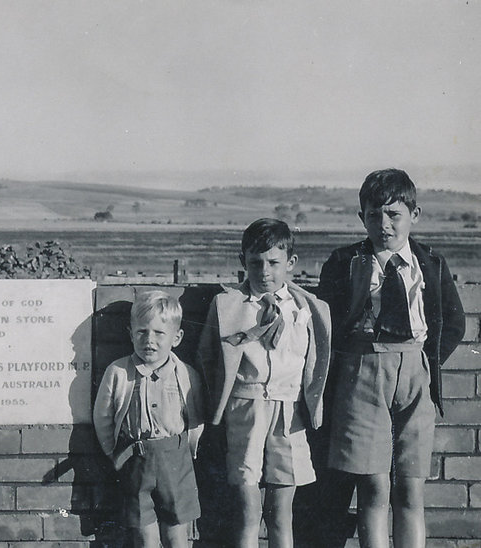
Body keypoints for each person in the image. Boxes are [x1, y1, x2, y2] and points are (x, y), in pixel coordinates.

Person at [318, 169, 465, 548]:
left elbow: (454, 324)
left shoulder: (430, 263)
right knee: (373, 487)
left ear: (414, 214)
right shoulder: (343, 262)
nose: (383, 225)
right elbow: (327, 325)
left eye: (393, 214)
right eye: (373, 215)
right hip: (362, 372)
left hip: (415, 374)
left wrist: (426, 364)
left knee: (411, 489)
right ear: (361, 217)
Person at [197, 218, 331, 548]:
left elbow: (318, 360)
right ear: (243, 262)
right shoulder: (227, 306)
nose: (264, 271)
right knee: (248, 510)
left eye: (273, 262)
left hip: (291, 412)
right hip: (246, 410)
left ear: (290, 263)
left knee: (282, 513)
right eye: (255, 263)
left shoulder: (307, 307)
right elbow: (206, 357)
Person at [93, 290, 205, 548]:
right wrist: (113, 453)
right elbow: (103, 416)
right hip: (135, 463)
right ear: (131, 334)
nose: (149, 340)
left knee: (177, 534)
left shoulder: (186, 375)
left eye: (159, 333)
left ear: (176, 338)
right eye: (142, 332)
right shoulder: (118, 372)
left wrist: (185, 451)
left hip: (176, 462)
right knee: (145, 538)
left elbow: (196, 419)